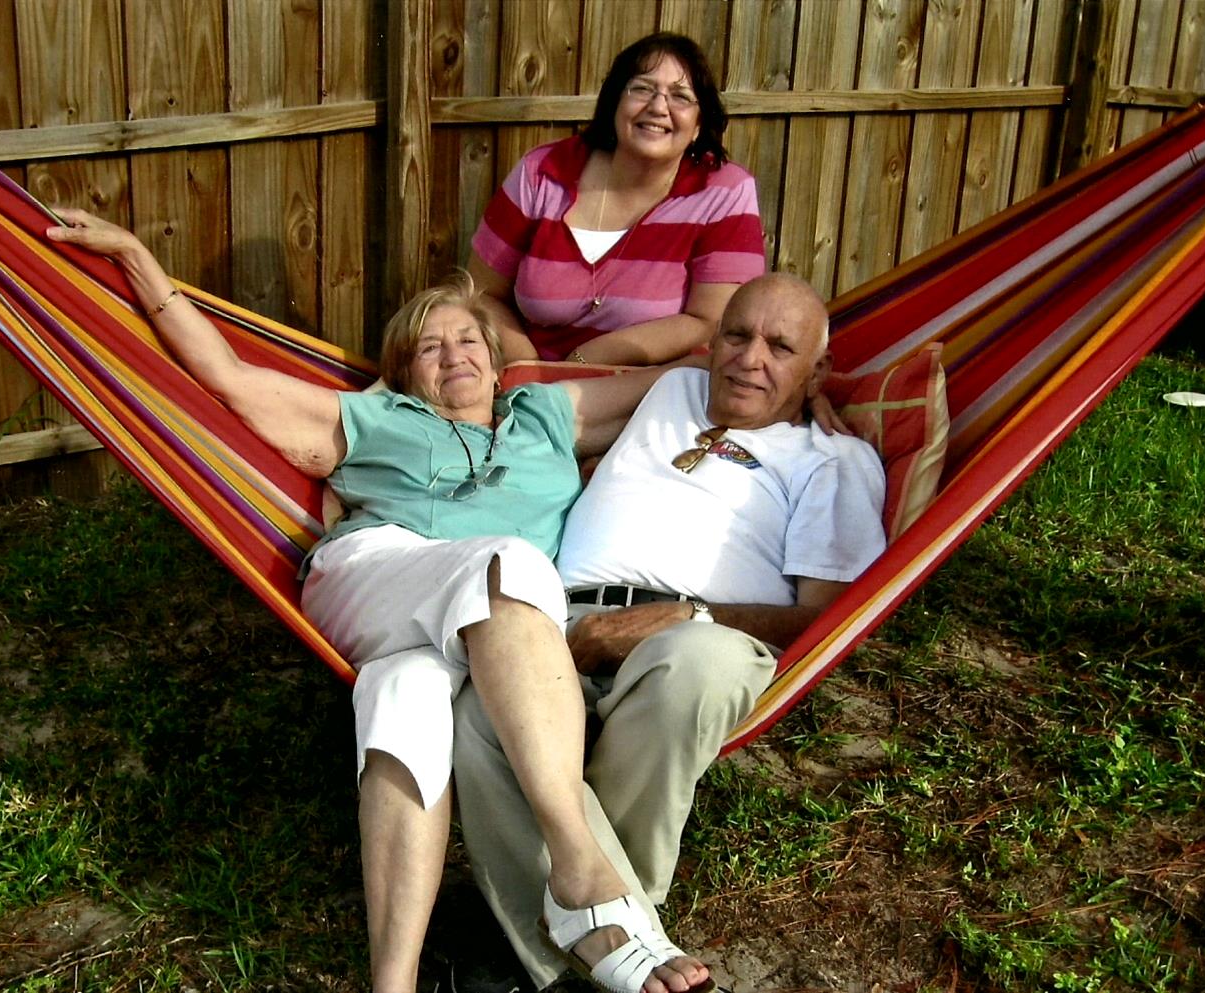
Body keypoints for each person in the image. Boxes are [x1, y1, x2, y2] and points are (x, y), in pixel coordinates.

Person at [45, 210, 711, 993]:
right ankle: (579, 870)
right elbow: (224, 375)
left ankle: (389, 982)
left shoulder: (546, 416)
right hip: (379, 573)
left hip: (484, 628)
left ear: (498, 358)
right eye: (430, 347)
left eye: (468, 340)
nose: (453, 355)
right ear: (402, 373)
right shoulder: (369, 418)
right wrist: (136, 258)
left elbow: (689, 387)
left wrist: (811, 386)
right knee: (509, 561)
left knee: (406, 701)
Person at [451, 273, 889, 991]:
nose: (751, 358)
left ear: (819, 373)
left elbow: (828, 618)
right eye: (737, 335)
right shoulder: (669, 391)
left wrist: (689, 614)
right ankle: (622, 950)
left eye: (781, 348)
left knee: (697, 670)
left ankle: (569, 947)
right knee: (478, 710)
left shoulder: (832, 460)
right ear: (711, 342)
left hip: (700, 631)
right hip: (558, 613)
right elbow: (536, 418)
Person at [469, 32, 766, 366]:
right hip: (530, 379)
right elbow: (482, 293)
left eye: (680, 96)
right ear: (614, 103)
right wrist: (534, 375)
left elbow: (714, 322)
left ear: (699, 124)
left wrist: (585, 362)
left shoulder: (725, 192)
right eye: (642, 89)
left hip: (658, 385)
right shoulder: (542, 173)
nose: (658, 107)